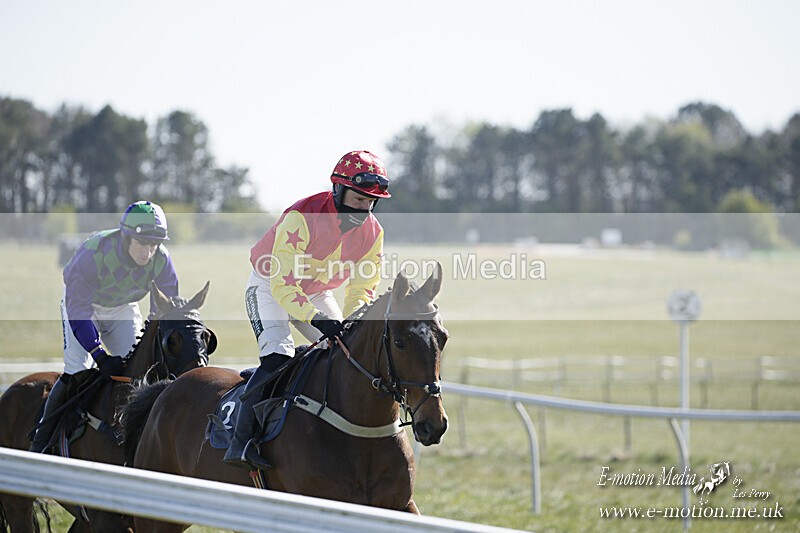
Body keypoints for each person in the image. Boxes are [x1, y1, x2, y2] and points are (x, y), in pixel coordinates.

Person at [224, 150, 390, 469]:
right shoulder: (302, 216)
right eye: (359, 199)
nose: (365, 209)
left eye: (372, 202)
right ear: (338, 190)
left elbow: (361, 288)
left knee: (344, 350)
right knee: (278, 357)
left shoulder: (374, 233)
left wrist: (351, 323)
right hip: (270, 285)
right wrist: (317, 319)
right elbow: (283, 284)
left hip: (316, 290)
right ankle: (241, 441)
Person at [29, 201, 179, 453]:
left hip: (122, 308)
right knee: (77, 370)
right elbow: (78, 311)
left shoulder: (162, 259)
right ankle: (42, 441)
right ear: (126, 237)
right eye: (142, 243)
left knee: (138, 372)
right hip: (84, 308)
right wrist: (98, 354)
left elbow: (165, 308)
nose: (148, 252)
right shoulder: (93, 254)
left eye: (154, 244)